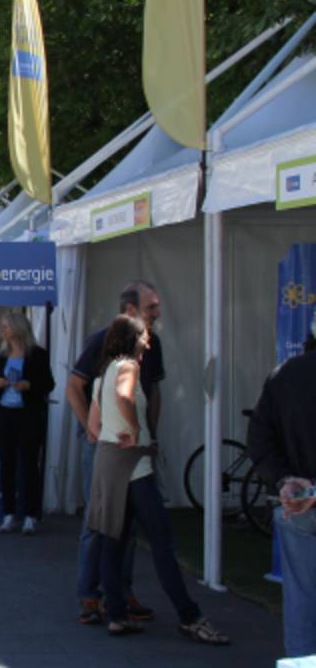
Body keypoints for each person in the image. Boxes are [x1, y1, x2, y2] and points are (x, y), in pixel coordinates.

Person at [87, 315, 228, 644]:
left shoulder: (102, 373)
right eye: (144, 337)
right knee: (161, 544)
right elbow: (124, 397)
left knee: (113, 543)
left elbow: (92, 429)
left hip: (108, 464)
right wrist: (136, 431)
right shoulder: (127, 367)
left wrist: (117, 431)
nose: (148, 343)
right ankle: (189, 616)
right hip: (135, 467)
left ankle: (118, 615)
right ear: (132, 340)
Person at [65, 281, 162, 624]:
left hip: (134, 449)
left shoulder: (152, 344)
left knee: (127, 523)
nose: (157, 313)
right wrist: (92, 431)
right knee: (100, 521)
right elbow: (75, 387)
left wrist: (150, 433)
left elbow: (153, 390)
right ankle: (90, 595)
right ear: (130, 310)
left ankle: (120, 593)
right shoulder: (103, 341)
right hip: (109, 448)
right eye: (151, 307)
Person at [247, 316, 316, 658]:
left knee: (301, 603)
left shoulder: (284, 375)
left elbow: (258, 440)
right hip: (299, 502)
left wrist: (286, 479)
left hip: (296, 502)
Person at [0, 310, 54, 534]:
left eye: (6, 327)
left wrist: (29, 385)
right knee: (6, 464)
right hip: (4, 414)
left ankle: (30, 514)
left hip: (28, 415)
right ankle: (8, 514)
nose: (2, 330)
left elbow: (48, 383)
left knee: (29, 465)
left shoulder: (37, 354)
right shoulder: (1, 355)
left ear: (17, 328)